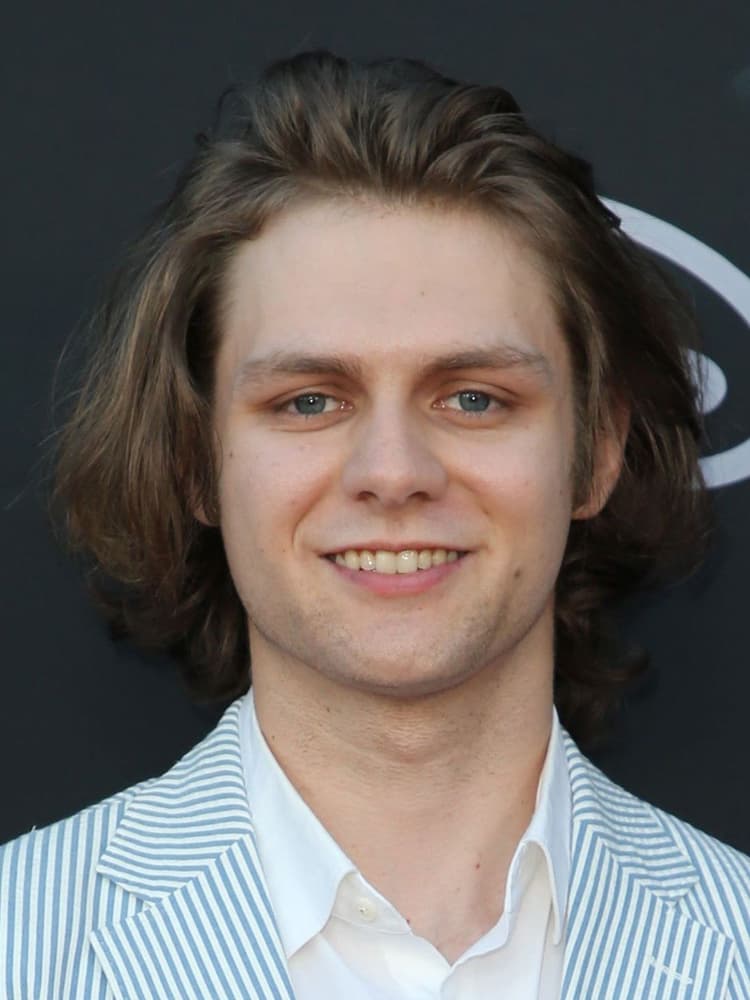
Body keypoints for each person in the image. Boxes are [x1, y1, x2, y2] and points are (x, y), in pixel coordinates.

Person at [1, 49, 748, 1000]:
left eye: (473, 398)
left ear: (595, 454)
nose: (393, 473)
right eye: (310, 402)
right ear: (195, 462)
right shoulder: (19, 946)